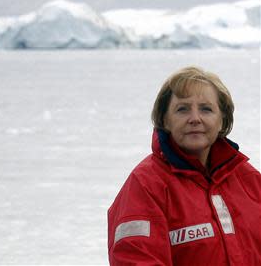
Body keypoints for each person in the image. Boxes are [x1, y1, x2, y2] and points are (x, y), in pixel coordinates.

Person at [107, 66, 261, 266]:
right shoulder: (146, 185)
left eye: (206, 109)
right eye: (182, 109)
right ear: (165, 120)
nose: (195, 118)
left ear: (222, 120)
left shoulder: (249, 180)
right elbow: (136, 258)